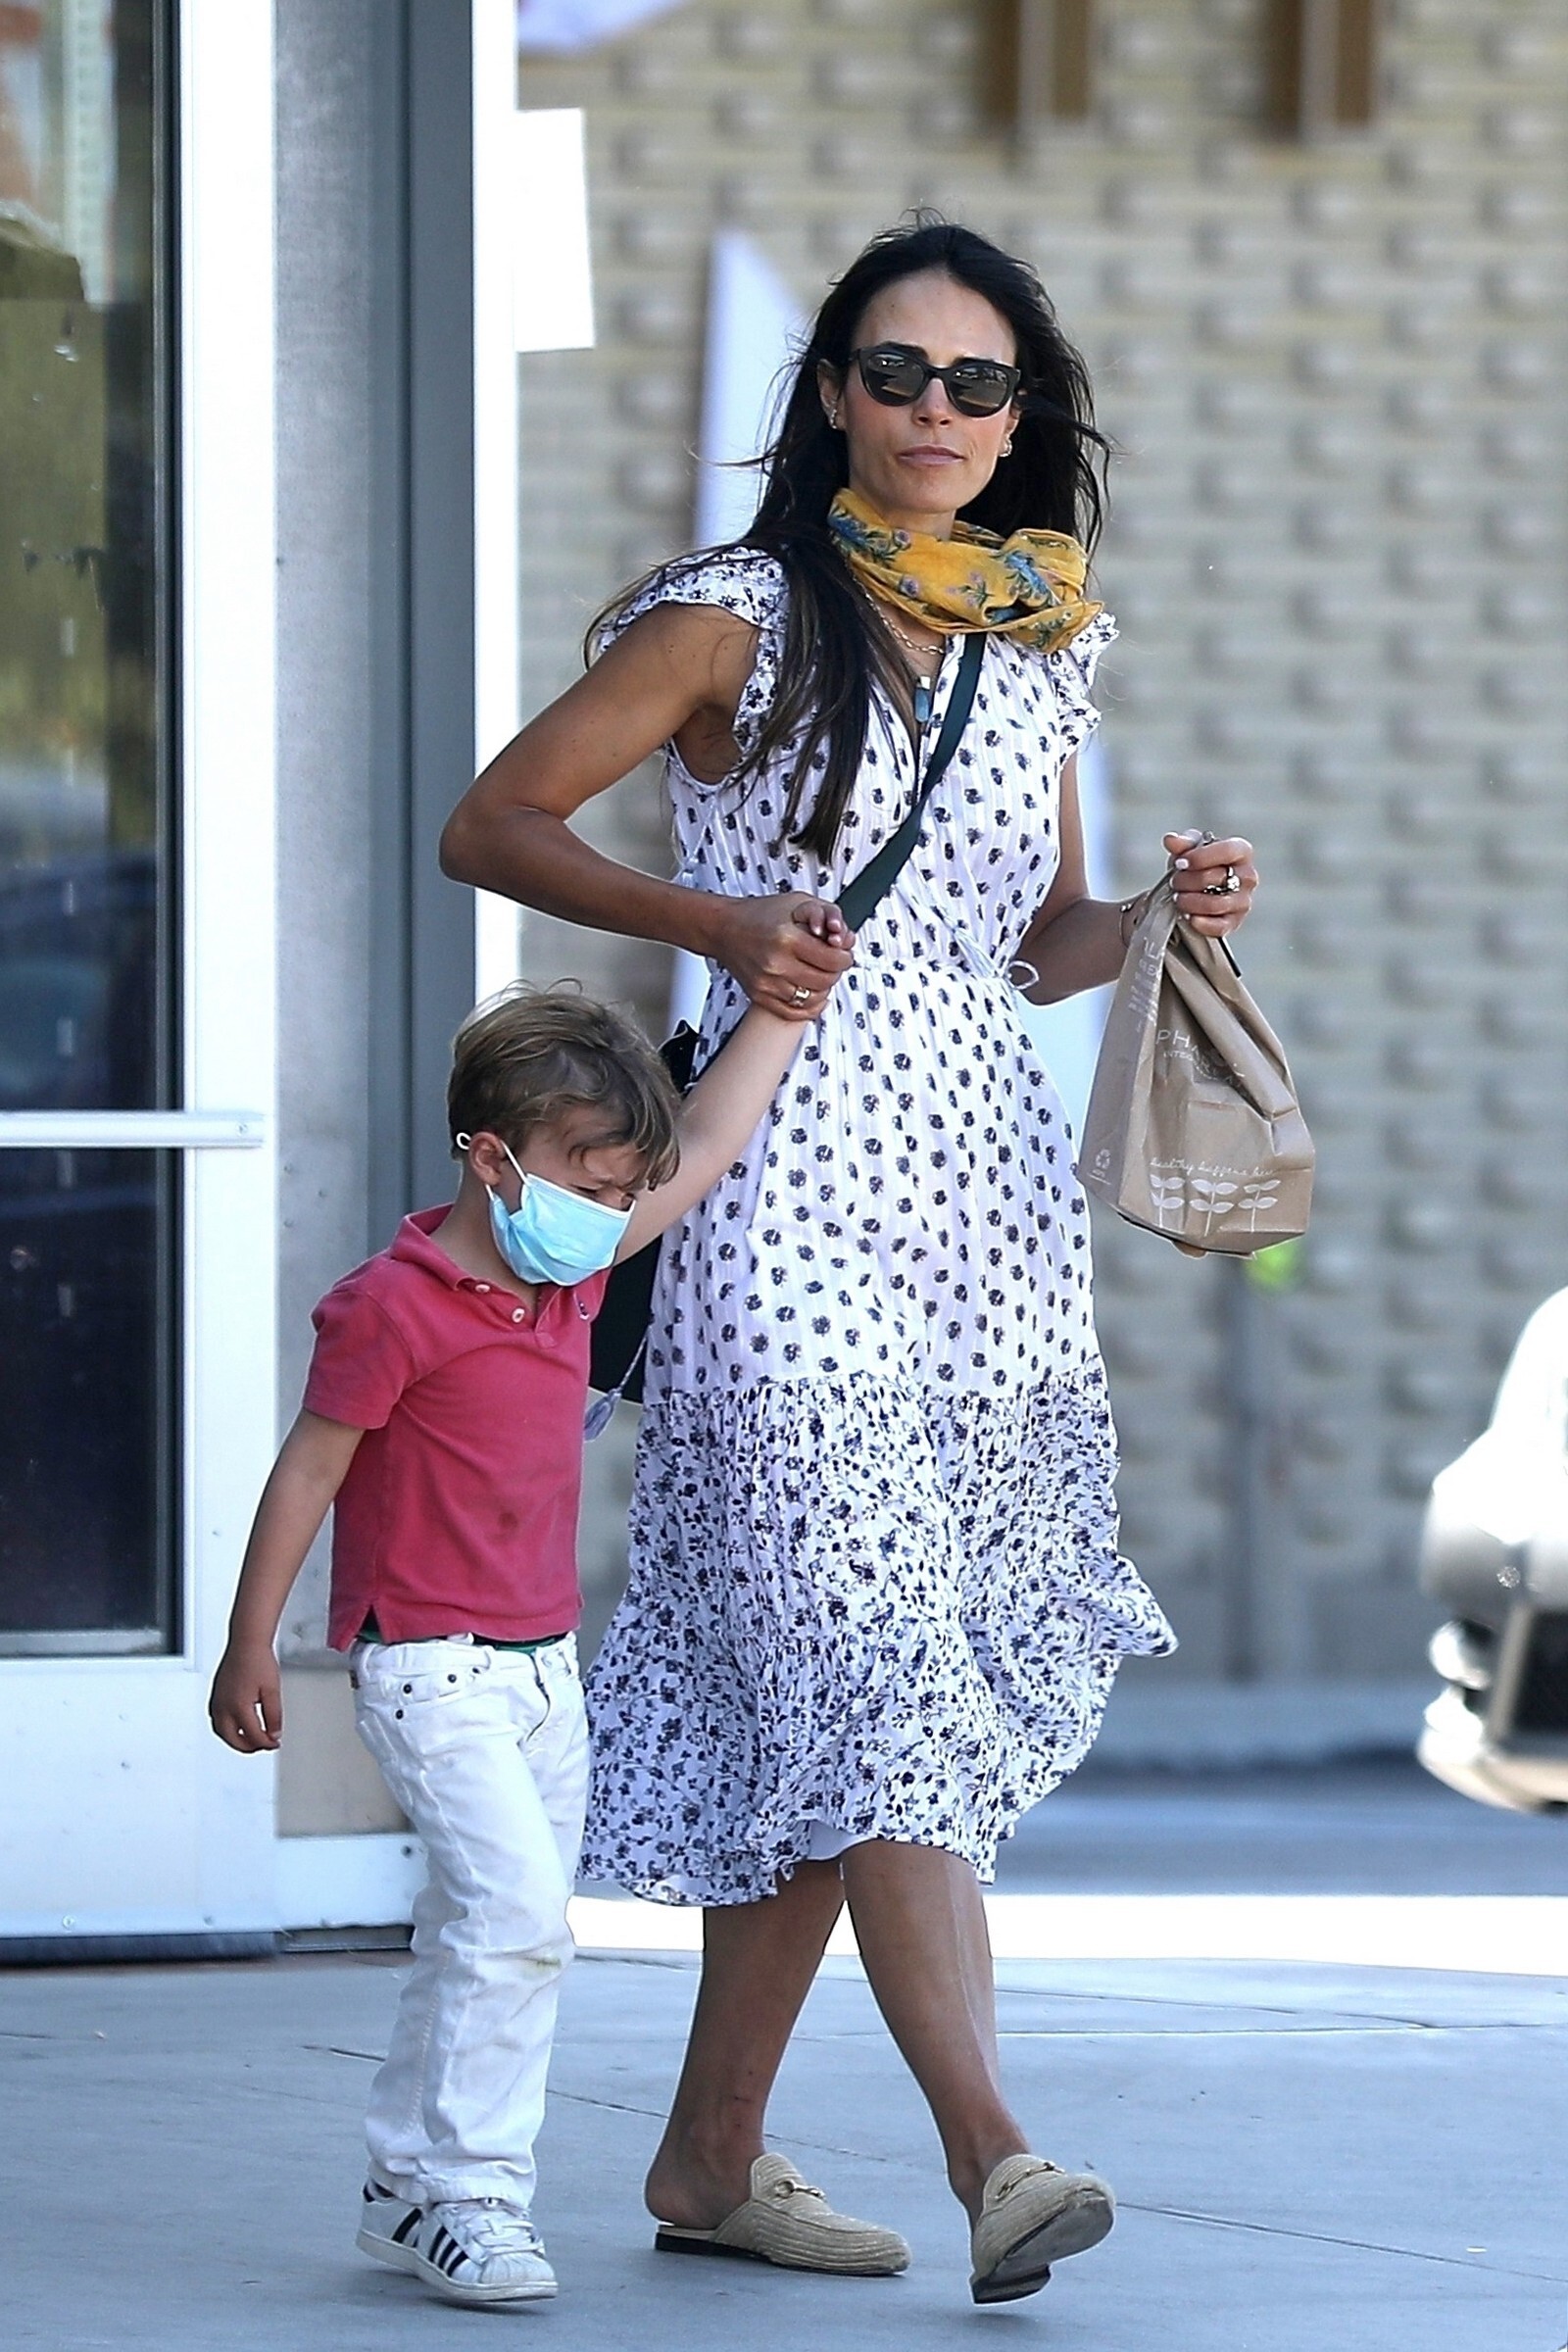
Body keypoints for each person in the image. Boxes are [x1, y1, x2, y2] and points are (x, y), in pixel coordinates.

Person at [440, 218, 1259, 2306]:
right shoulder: (731, 616)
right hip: (776, 1187)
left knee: (841, 1691)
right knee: (875, 1664)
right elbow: (495, 822)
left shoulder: (1041, 634)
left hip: (984, 1211)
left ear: (1018, 415)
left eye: (976, 384)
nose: (934, 413)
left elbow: (1031, 942)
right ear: (829, 394)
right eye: (894, 373)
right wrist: (716, 924)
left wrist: (1159, 920)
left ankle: (710, 2159)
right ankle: (995, 2152)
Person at [205, 978, 850, 2310]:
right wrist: (249, 1642)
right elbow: (309, 1470)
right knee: (516, 1922)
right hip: (427, 1667)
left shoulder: (575, 1275)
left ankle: (404, 2184)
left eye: (622, 1192)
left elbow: (709, 1141)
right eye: (590, 1183)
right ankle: (473, 2195)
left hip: (547, 1671)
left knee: (476, 1930)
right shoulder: (392, 1305)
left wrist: (788, 1003)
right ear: (493, 1161)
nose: (610, 1213)